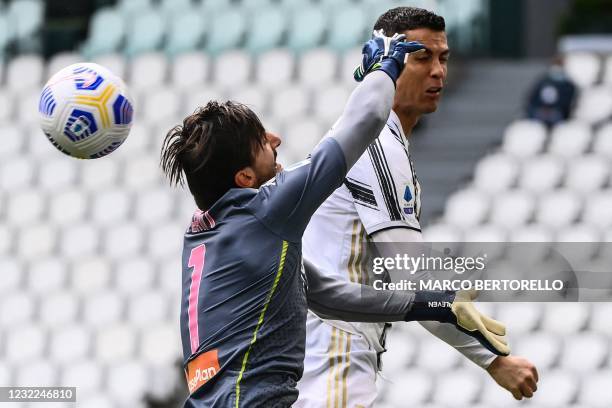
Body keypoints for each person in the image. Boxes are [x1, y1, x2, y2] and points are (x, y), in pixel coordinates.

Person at [161, 32, 509, 407]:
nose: (276, 139)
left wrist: (430, 304)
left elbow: (326, 295)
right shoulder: (264, 211)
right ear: (244, 178)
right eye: (261, 141)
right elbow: (369, 117)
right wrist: (385, 67)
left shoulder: (209, 231)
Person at [296, 7, 539, 408]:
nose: (439, 71)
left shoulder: (371, 138)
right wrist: (496, 361)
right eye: (422, 57)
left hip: (330, 348)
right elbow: (413, 278)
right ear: (386, 62)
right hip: (335, 350)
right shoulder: (376, 144)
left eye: (443, 58)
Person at [526, 55, 577, 127]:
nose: (557, 68)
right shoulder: (542, 81)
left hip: (557, 112)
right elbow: (533, 98)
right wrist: (542, 108)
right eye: (555, 65)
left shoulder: (568, 85)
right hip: (540, 111)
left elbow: (567, 103)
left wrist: (552, 109)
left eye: (559, 65)